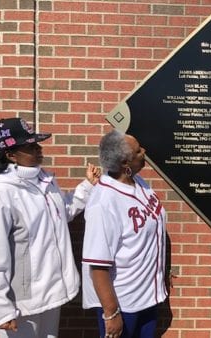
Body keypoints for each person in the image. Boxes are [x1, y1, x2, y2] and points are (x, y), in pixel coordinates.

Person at [0, 117, 100, 338]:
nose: (39, 149)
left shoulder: (45, 180)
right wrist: (1, 308)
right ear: (10, 154)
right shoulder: (2, 192)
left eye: (38, 143)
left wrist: (87, 187)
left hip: (53, 293)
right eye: (31, 146)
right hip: (22, 302)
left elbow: (63, 212)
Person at [81, 129, 168, 338]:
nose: (144, 151)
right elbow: (98, 266)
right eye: (138, 151)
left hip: (147, 295)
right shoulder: (103, 202)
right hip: (123, 302)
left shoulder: (139, 184)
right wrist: (111, 314)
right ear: (125, 164)